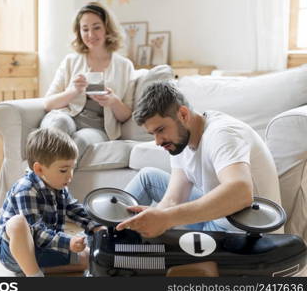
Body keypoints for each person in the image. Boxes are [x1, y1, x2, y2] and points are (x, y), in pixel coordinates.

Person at [116, 81, 281, 237]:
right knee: (148, 177)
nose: (158, 141)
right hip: (217, 216)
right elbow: (174, 199)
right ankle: (105, 230)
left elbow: (241, 192)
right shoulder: (182, 140)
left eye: (160, 130)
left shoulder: (222, 134)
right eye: (153, 134)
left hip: (246, 231)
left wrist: (167, 218)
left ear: (183, 114)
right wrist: (157, 216)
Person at [0, 128, 104, 277]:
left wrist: (97, 227)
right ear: (39, 169)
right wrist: (68, 242)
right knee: (17, 223)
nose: (70, 176)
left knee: (90, 259)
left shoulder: (58, 185)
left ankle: (31, 270)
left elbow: (76, 210)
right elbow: (37, 231)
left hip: (43, 247)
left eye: (72, 168)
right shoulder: (25, 189)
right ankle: (33, 274)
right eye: (64, 170)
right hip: (13, 253)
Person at [41, 2, 134, 160]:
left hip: (97, 127)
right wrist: (73, 91)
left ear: (107, 28)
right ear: (79, 32)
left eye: (96, 27)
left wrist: (113, 101)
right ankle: (41, 180)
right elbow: (48, 104)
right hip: (67, 116)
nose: (90, 34)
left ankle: (50, 182)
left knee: (78, 143)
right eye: (85, 29)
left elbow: (127, 115)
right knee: (58, 125)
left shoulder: (124, 65)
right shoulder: (70, 61)